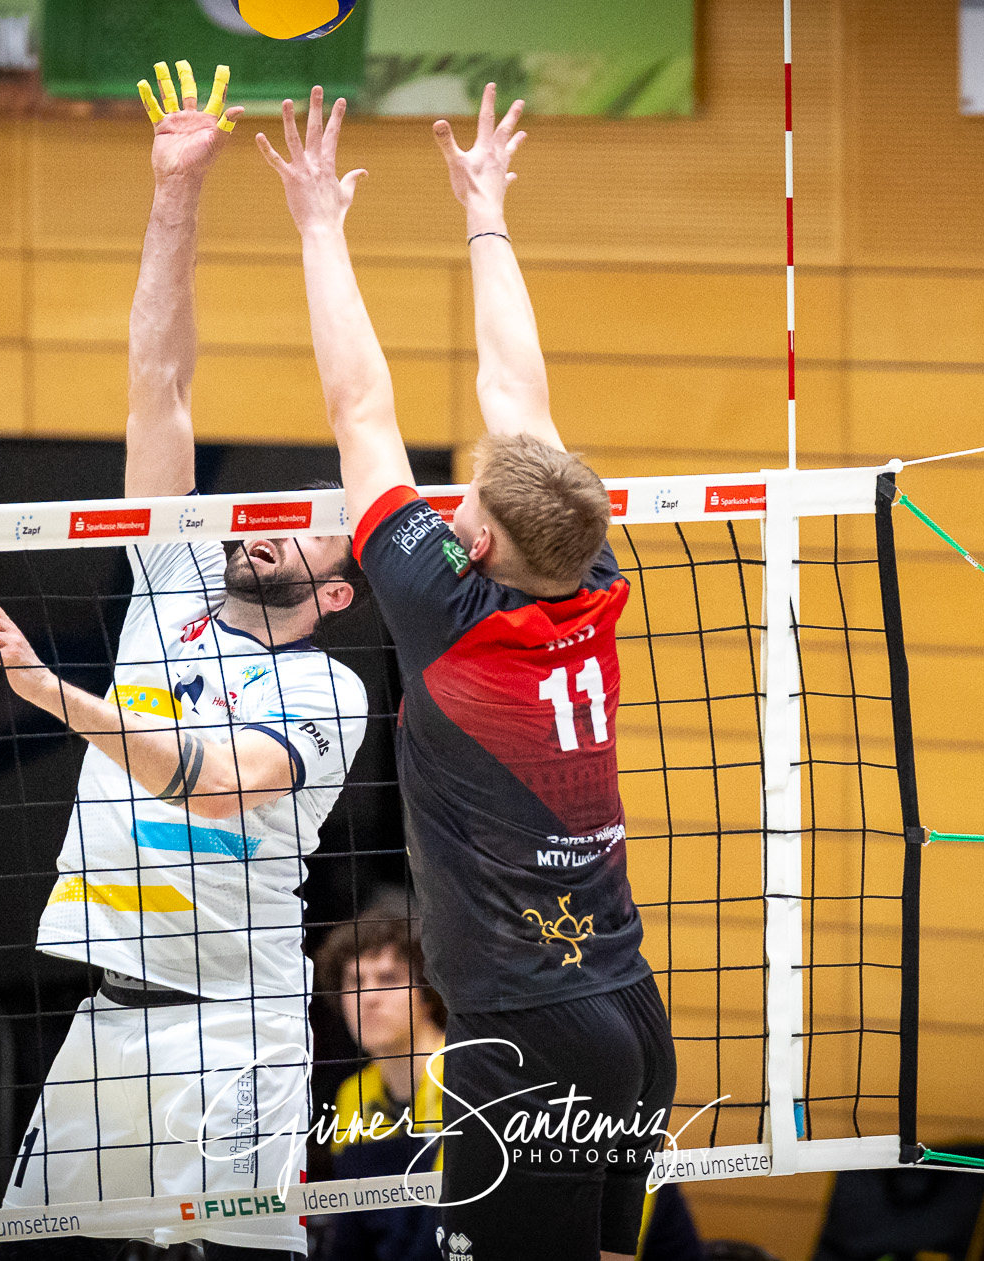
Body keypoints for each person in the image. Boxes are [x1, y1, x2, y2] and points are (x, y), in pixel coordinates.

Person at [257, 86, 677, 1261]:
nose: (453, 500)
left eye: (466, 501)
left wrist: (315, 224)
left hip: (525, 1034)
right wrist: (483, 212)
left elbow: (357, 404)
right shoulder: (584, 572)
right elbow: (517, 399)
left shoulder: (444, 605)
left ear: (478, 541)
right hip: (630, 1019)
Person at [0, 60, 369, 1260]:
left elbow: (213, 777)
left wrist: (53, 696)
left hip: (233, 1031)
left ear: (336, 590)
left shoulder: (325, 689)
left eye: (310, 514)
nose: (267, 516)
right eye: (269, 501)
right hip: (105, 1022)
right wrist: (174, 192)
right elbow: (159, 378)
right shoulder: (173, 587)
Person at [314, 903, 447, 1261]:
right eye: (355, 981)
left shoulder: (467, 1077)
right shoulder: (352, 1094)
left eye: (388, 979)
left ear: (428, 991)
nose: (367, 998)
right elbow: (350, 1235)